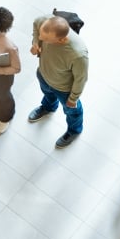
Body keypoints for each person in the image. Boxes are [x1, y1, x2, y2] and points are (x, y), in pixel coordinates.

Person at [28, 15, 89, 148]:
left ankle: (74, 130)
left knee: (72, 111)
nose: (41, 39)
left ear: (62, 40)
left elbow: (81, 79)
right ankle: (49, 107)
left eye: (45, 40)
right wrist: (35, 43)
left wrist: (73, 99)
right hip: (44, 74)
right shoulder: (45, 22)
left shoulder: (78, 55)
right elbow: (36, 24)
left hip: (63, 88)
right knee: (47, 93)